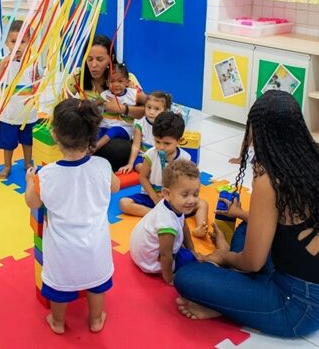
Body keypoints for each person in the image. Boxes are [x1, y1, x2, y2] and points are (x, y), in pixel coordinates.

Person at [174, 91, 319, 337]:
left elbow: (253, 262)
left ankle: (230, 307)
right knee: (246, 228)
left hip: (300, 307)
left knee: (186, 277)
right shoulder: (316, 161)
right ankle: (239, 300)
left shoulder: (270, 178)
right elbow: (285, 225)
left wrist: (225, 256)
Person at [24, 98, 120, 334]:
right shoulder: (102, 166)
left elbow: (32, 202)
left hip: (62, 249)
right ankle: (96, 320)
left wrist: (29, 182)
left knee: (59, 288)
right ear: (92, 135)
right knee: (97, 285)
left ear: (55, 135)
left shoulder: (46, 175)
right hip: (95, 247)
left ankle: (57, 323)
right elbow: (115, 187)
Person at [119, 111, 209, 237]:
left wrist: (178, 198)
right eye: (157, 141)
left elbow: (188, 185)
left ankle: (200, 227)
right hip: (153, 197)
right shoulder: (151, 154)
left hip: (176, 200)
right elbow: (143, 177)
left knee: (202, 204)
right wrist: (155, 197)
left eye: (167, 143)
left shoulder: (184, 158)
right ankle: (158, 215)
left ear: (179, 141)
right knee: (124, 203)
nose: (161, 147)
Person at [69, 35, 146, 171]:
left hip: (118, 134)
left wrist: (123, 108)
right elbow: (60, 104)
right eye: (89, 59)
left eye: (100, 59)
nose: (93, 65)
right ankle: (88, 154)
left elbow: (146, 109)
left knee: (121, 150)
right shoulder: (78, 76)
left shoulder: (126, 79)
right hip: (93, 130)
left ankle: (89, 156)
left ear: (110, 60)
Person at [130, 159, 199, 285]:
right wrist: (169, 279)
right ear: (166, 193)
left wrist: (192, 249)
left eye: (195, 194)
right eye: (185, 195)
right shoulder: (167, 224)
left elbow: (183, 224)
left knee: (190, 253)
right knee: (190, 261)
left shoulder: (172, 204)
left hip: (139, 252)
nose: (192, 200)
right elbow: (165, 255)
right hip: (150, 263)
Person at [0, 20, 39, 179]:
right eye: (13, 41)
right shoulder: (4, 63)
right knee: (8, 142)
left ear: (29, 43)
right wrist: (3, 64)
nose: (18, 46)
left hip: (26, 112)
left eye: (22, 42)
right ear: (7, 43)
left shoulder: (33, 63)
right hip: (9, 113)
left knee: (27, 140)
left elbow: (38, 80)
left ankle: (28, 162)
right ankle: (7, 165)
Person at [94, 64, 145, 153]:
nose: (116, 84)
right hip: (105, 126)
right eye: (112, 81)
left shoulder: (133, 94)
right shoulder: (105, 94)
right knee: (97, 133)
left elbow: (148, 101)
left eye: (120, 81)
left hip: (124, 128)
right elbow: (93, 104)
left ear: (127, 82)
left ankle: (93, 149)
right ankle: (89, 148)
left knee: (113, 131)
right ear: (106, 83)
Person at [120, 91, 171, 174]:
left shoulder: (168, 124)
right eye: (149, 107)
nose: (151, 112)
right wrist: (130, 164)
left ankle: (158, 173)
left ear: (165, 111)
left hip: (161, 156)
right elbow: (136, 146)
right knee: (140, 167)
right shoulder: (140, 124)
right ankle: (154, 174)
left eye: (157, 109)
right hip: (143, 156)